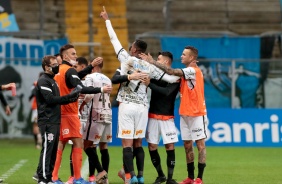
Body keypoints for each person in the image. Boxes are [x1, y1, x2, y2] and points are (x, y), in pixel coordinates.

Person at [100, 6, 179, 184]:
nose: (129, 48)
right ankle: (141, 177)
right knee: (138, 143)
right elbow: (169, 77)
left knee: (127, 144)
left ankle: (130, 177)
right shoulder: (151, 67)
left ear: (135, 50)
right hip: (143, 107)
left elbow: (114, 39)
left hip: (127, 105)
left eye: (132, 47)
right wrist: (184, 76)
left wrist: (107, 20)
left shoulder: (126, 59)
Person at [139, 46, 208, 184]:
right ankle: (190, 177)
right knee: (187, 145)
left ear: (192, 58)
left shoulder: (192, 71)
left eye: (184, 54)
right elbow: (169, 76)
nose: (181, 56)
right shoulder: (184, 73)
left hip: (197, 113)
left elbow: (170, 71)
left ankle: (199, 178)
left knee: (200, 146)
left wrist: (152, 62)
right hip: (185, 114)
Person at [52, 44, 112, 184]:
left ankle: (54, 177)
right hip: (71, 112)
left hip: (60, 112)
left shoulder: (59, 70)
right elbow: (81, 87)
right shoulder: (70, 70)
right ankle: (77, 178)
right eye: (73, 54)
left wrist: (90, 66)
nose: (75, 56)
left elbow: (75, 78)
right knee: (79, 142)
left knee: (61, 143)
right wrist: (101, 89)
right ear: (66, 56)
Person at [35, 55, 80, 184]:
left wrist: (71, 98)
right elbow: (50, 99)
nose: (57, 66)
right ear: (46, 67)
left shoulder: (52, 80)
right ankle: (43, 179)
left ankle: (47, 177)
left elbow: (57, 100)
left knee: (53, 150)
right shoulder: (43, 81)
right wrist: (68, 97)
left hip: (54, 120)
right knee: (48, 149)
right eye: (54, 64)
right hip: (47, 120)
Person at [143, 52, 179, 184]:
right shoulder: (154, 75)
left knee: (169, 146)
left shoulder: (175, 76)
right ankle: (161, 175)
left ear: (166, 62)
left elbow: (166, 92)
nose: (155, 61)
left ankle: (170, 178)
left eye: (158, 59)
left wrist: (149, 84)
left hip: (167, 117)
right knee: (152, 146)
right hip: (153, 115)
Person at [80, 60, 112, 184]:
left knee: (87, 145)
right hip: (108, 114)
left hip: (95, 113)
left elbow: (89, 94)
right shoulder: (107, 79)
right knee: (103, 146)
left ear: (93, 67)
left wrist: (82, 104)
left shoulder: (90, 77)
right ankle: (105, 179)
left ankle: (101, 172)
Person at [65, 56, 90, 184]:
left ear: (82, 67)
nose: (73, 70)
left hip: (84, 118)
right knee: (75, 146)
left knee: (84, 147)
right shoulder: (72, 81)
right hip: (75, 118)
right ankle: (73, 176)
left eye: (76, 67)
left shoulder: (86, 81)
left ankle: (83, 176)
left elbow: (89, 96)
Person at [29, 72, 44, 150]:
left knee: (36, 125)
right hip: (41, 107)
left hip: (37, 107)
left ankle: (38, 143)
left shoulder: (35, 84)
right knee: (40, 124)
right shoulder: (37, 84)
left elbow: (31, 95)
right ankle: (39, 142)